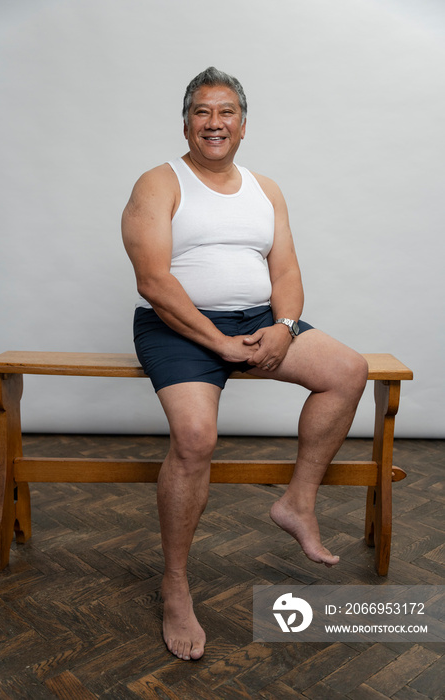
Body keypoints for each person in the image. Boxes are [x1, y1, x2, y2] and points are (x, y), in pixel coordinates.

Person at [121, 67, 368, 662]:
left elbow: (285, 269)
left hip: (257, 320)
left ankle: (297, 502)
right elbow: (153, 280)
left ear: (243, 124)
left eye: (225, 112)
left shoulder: (266, 188)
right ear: (186, 122)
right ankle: (176, 584)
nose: (214, 123)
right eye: (202, 112)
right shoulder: (159, 183)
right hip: (179, 326)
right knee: (196, 438)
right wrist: (217, 343)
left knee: (348, 370)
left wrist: (283, 327)